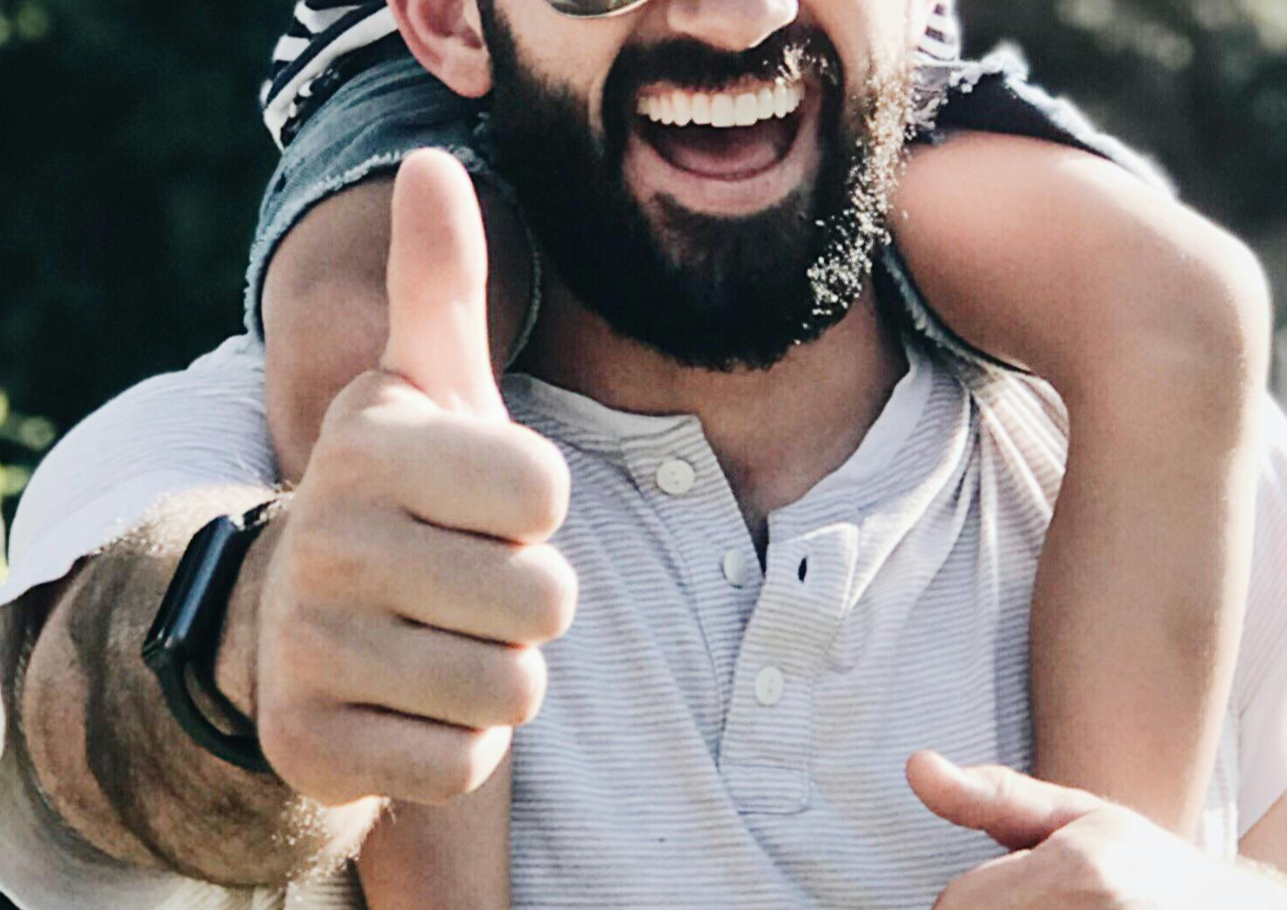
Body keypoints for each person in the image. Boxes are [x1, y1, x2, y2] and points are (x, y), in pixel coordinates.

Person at [0, 3, 1284, 910]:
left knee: (1190, 299)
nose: (734, 17)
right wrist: (244, 644)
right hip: (373, 82)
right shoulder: (226, 460)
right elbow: (71, 736)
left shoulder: (1178, 476)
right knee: (377, 328)